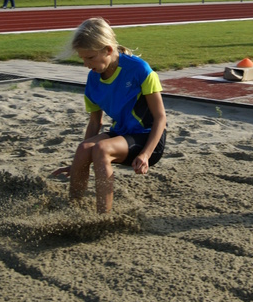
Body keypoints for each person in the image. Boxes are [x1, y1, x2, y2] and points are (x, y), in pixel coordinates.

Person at [52, 17, 167, 214]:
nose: (86, 65)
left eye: (90, 58)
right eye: (82, 59)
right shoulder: (93, 79)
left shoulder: (140, 70)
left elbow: (160, 118)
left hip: (148, 139)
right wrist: (78, 166)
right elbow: (95, 123)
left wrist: (145, 155)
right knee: (84, 148)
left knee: (102, 149)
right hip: (121, 133)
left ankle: (103, 218)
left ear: (108, 50)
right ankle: (73, 211)